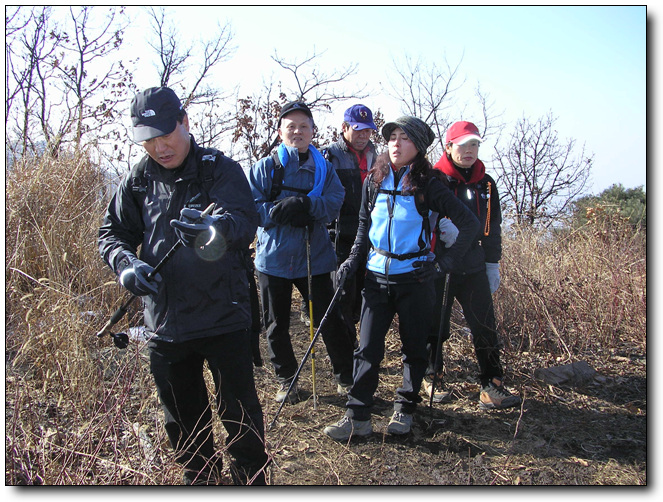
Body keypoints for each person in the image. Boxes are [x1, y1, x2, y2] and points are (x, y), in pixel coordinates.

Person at [98, 87, 269, 485]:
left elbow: (244, 221)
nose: (159, 146)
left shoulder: (218, 169)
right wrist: (126, 265)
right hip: (165, 325)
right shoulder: (139, 179)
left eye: (165, 133)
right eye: (148, 138)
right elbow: (112, 232)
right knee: (184, 425)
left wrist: (214, 229)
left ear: (185, 122)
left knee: (241, 418)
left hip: (224, 317)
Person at [323, 116, 480, 441]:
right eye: (392, 136)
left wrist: (442, 265)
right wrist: (353, 260)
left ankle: (405, 410)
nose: (395, 143)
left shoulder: (429, 185)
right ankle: (357, 417)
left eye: (405, 138)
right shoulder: (375, 180)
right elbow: (365, 225)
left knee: (413, 350)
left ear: (419, 147)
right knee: (366, 349)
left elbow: (469, 224)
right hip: (376, 278)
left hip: (416, 280)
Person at [248, 101, 355, 403]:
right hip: (273, 258)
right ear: (280, 131)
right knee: (276, 323)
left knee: (329, 318)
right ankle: (287, 380)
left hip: (315, 255)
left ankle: (346, 378)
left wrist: (309, 206)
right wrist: (277, 212)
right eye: (291, 126)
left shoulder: (324, 168)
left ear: (312, 131)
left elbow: (335, 200)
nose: (298, 131)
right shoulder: (265, 168)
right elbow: (250, 207)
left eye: (304, 126)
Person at [424, 120, 521, 410]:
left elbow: (493, 226)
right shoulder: (433, 178)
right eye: (463, 144)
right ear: (448, 146)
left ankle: (492, 385)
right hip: (441, 263)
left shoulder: (486, 184)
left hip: (475, 264)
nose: (469, 151)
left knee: (484, 326)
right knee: (435, 325)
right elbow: (421, 215)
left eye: (474, 144)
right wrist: (442, 226)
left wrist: (493, 263)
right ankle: (432, 377)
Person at [322, 104, 379, 345]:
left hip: (370, 234)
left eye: (368, 131)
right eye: (358, 130)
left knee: (363, 294)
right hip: (340, 235)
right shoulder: (328, 156)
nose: (363, 136)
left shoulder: (376, 156)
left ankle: (358, 337)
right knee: (343, 291)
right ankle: (348, 346)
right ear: (344, 128)